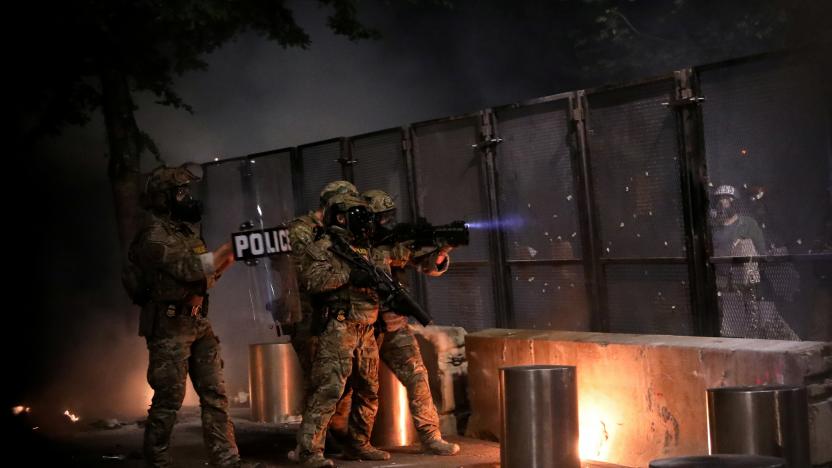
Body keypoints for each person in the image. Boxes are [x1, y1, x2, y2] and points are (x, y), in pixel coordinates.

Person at [126, 164, 253, 467]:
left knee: (215, 393)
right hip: (169, 326)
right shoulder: (154, 236)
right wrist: (228, 250)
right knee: (169, 399)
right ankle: (157, 460)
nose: (186, 198)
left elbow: (205, 278)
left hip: (197, 322)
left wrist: (228, 257)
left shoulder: (184, 231)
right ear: (162, 198)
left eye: (186, 191)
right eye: (180, 192)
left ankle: (227, 459)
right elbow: (191, 269)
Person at [362, 189, 460, 456]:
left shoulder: (394, 243)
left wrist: (440, 250)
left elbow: (428, 267)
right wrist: (401, 251)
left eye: (387, 217)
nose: (385, 223)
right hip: (361, 327)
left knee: (417, 376)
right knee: (357, 389)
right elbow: (375, 262)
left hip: (393, 322)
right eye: (380, 218)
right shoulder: (352, 242)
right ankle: (349, 441)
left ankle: (431, 436)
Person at [295, 193, 388, 467]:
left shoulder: (367, 250)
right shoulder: (323, 247)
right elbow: (312, 281)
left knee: (369, 389)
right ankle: (309, 451)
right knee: (329, 389)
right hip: (338, 325)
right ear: (340, 216)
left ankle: (359, 444)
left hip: (366, 328)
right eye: (355, 213)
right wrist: (348, 275)